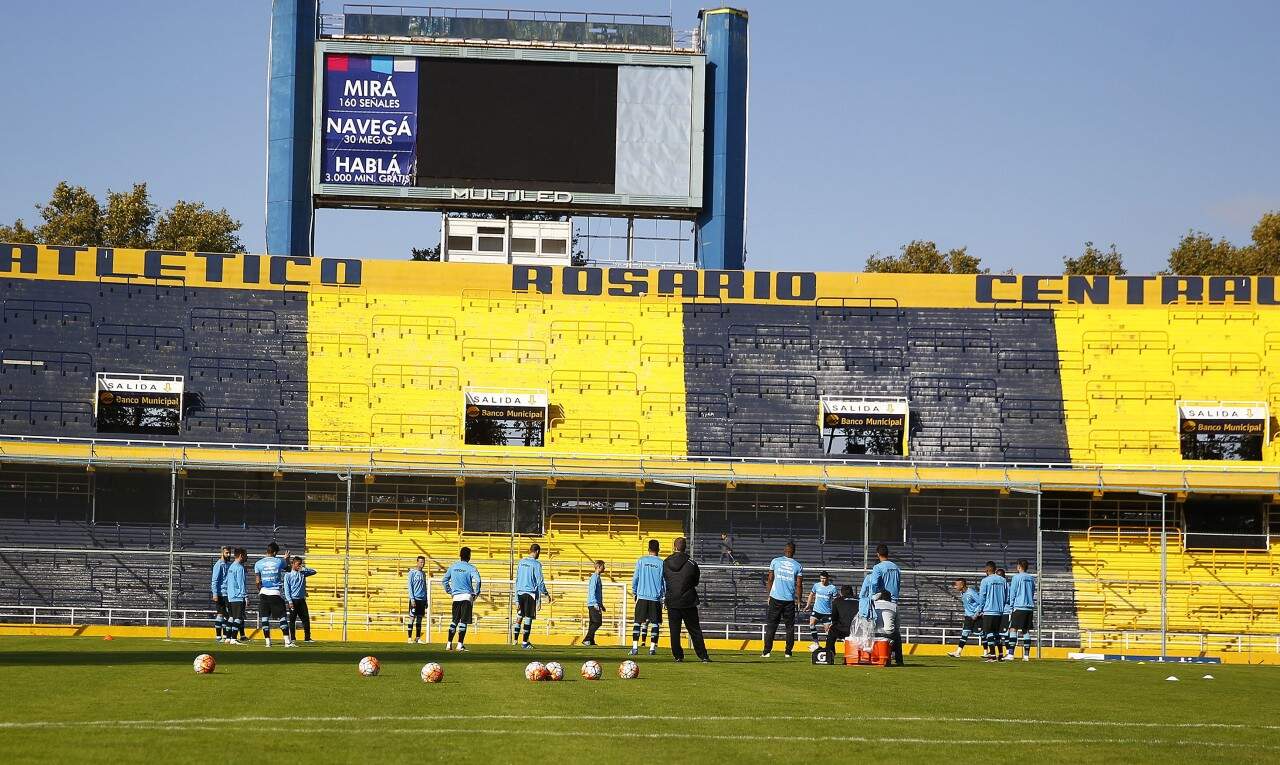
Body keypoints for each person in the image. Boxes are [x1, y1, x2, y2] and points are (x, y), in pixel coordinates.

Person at [663, 537, 709, 662]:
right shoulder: (692, 563)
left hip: (672, 601)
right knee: (694, 630)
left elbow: (665, 579)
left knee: (674, 631)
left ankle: (678, 656)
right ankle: (703, 656)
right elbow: (696, 581)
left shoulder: (666, 562)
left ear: (674, 547)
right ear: (685, 547)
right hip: (688, 601)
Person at [762, 541, 803, 658]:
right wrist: (799, 600)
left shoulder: (775, 561)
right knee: (789, 627)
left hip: (775, 598)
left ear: (785, 550)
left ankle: (766, 651)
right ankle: (788, 652)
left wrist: (769, 595)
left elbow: (770, 580)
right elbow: (799, 585)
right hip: (789, 600)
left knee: (771, 625)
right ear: (794, 552)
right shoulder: (798, 565)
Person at [868, 544, 903, 666]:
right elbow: (898, 584)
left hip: (882, 600)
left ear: (877, 554)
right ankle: (897, 657)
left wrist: (873, 596)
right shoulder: (896, 567)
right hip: (894, 601)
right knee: (894, 630)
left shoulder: (878, 567)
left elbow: (874, 583)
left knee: (877, 627)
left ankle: (876, 654)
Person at [630, 539, 666, 656]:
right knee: (655, 623)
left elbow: (635, 578)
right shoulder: (661, 563)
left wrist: (635, 592)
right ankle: (652, 649)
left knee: (637, 622)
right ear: (658, 549)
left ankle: (635, 648)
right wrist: (664, 596)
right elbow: (664, 582)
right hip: (655, 598)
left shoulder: (641, 561)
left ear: (648, 549)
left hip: (642, 596)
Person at [442, 547, 482, 651]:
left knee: (454, 620)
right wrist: (476, 593)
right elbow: (478, 581)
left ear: (460, 555)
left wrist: (450, 591)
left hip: (456, 597)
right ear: (469, 556)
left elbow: (444, 580)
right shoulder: (471, 568)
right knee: (463, 621)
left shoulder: (453, 566)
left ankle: (448, 643)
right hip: (466, 596)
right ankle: (460, 645)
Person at [513, 543, 551, 648]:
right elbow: (540, 582)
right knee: (528, 617)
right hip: (530, 593)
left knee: (520, 615)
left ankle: (515, 640)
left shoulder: (521, 562)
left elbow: (517, 580)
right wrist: (546, 594)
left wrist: (516, 598)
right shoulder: (536, 564)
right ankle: (525, 643)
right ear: (537, 551)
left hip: (520, 592)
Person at [254, 542, 291, 648]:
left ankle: (267, 642)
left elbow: (257, 581)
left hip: (264, 593)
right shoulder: (279, 561)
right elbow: (287, 568)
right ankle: (287, 642)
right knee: (282, 617)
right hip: (275, 593)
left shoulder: (258, 563)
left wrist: (260, 589)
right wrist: (286, 558)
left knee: (265, 618)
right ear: (275, 552)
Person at [978, 561, 1009, 662]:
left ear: (987, 569)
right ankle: (1000, 655)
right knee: (997, 634)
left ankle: (992, 656)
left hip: (989, 610)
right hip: (1000, 611)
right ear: (995, 569)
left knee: (989, 633)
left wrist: (980, 609)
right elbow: (1007, 596)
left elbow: (982, 596)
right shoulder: (1003, 580)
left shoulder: (985, 581)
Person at [283, 556, 316, 644]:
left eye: (300, 564)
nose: (299, 566)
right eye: (298, 564)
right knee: (292, 619)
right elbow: (286, 589)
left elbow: (314, 571)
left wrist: (304, 568)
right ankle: (293, 638)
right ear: (293, 564)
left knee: (305, 618)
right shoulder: (288, 575)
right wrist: (289, 601)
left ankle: (307, 638)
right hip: (293, 600)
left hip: (301, 600)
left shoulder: (303, 573)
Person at [1009, 558, 1036, 661]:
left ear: (1019, 566)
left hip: (1019, 607)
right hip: (1029, 608)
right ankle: (1026, 656)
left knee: (1013, 629)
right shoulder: (1031, 578)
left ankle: (1011, 654)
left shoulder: (1016, 578)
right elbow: (1033, 591)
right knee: (1025, 631)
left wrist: (1011, 606)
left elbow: (1013, 593)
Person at [948, 577, 982, 657]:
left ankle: (986, 652)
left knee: (982, 634)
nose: (955, 587)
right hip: (968, 616)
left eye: (956, 585)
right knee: (965, 633)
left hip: (976, 616)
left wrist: (977, 614)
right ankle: (958, 652)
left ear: (962, 585)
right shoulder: (962, 593)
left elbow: (981, 603)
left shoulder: (971, 592)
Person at [805, 571, 838, 645]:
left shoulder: (832, 588)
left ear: (828, 578)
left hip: (827, 613)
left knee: (827, 631)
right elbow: (811, 594)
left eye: (824, 578)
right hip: (816, 611)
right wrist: (808, 605)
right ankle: (816, 642)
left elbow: (836, 600)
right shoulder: (816, 585)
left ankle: (829, 646)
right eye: (821, 578)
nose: (822, 580)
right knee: (811, 624)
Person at [825, 584, 858, 655]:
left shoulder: (837, 601)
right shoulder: (859, 600)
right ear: (852, 592)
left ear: (841, 592)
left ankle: (830, 653)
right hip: (857, 630)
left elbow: (834, 617)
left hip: (843, 629)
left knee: (831, 630)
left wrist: (835, 623)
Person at [224, 548, 247, 644]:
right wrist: (245, 596)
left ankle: (227, 638)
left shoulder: (231, 567)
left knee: (231, 617)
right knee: (238, 618)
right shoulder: (240, 567)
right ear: (241, 556)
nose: (246, 557)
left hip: (230, 596)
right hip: (238, 596)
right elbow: (241, 583)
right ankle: (233, 638)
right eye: (245, 555)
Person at [210, 546, 231, 642]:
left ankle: (226, 636)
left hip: (228, 593)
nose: (229, 554)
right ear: (222, 553)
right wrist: (215, 593)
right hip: (220, 593)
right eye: (227, 553)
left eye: (229, 552)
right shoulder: (218, 565)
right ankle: (219, 637)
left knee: (227, 615)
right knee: (220, 614)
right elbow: (214, 580)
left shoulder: (228, 564)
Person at [584, 560, 606, 646]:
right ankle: (587, 639)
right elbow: (592, 591)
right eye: (603, 566)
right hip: (593, 604)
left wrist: (601, 604)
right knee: (597, 622)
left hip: (595, 603)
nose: (604, 568)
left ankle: (591, 641)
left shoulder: (597, 577)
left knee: (592, 623)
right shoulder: (594, 577)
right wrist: (595, 604)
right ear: (599, 567)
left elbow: (597, 593)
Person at [407, 556, 428, 644]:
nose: (422, 564)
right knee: (412, 618)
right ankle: (409, 638)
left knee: (419, 619)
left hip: (422, 599)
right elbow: (410, 586)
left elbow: (425, 587)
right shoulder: (412, 572)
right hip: (415, 598)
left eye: (423, 562)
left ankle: (418, 638)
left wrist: (426, 599)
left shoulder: (423, 574)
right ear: (417, 562)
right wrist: (412, 598)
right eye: (420, 562)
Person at [997, 567, 1015, 661]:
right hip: (999, 611)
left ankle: (1008, 652)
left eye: (1000, 576)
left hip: (1006, 611)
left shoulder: (1007, 586)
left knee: (1006, 633)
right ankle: (1001, 653)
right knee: (999, 633)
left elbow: (1009, 599)